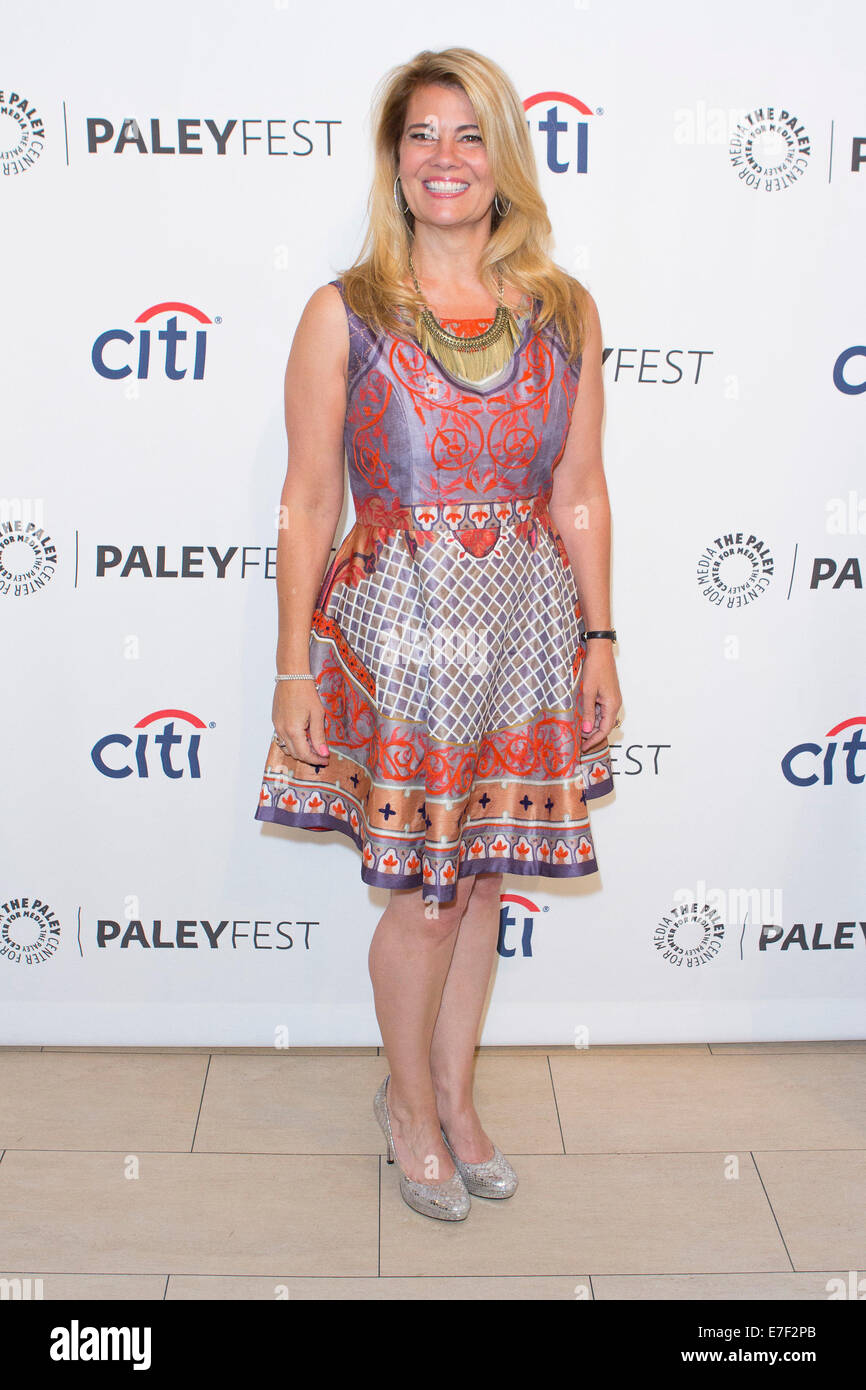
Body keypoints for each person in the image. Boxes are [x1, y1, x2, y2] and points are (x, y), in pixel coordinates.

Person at [255, 47, 622, 1221]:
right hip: (398, 636)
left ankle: (457, 1100)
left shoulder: (562, 310)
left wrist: (600, 636)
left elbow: (579, 486)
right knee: (423, 891)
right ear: (393, 159)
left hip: (522, 628)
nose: (444, 158)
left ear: (504, 157)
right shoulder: (344, 313)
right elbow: (309, 500)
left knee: (481, 886)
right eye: (421, 135)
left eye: (467, 136)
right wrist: (289, 667)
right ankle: (406, 1107)